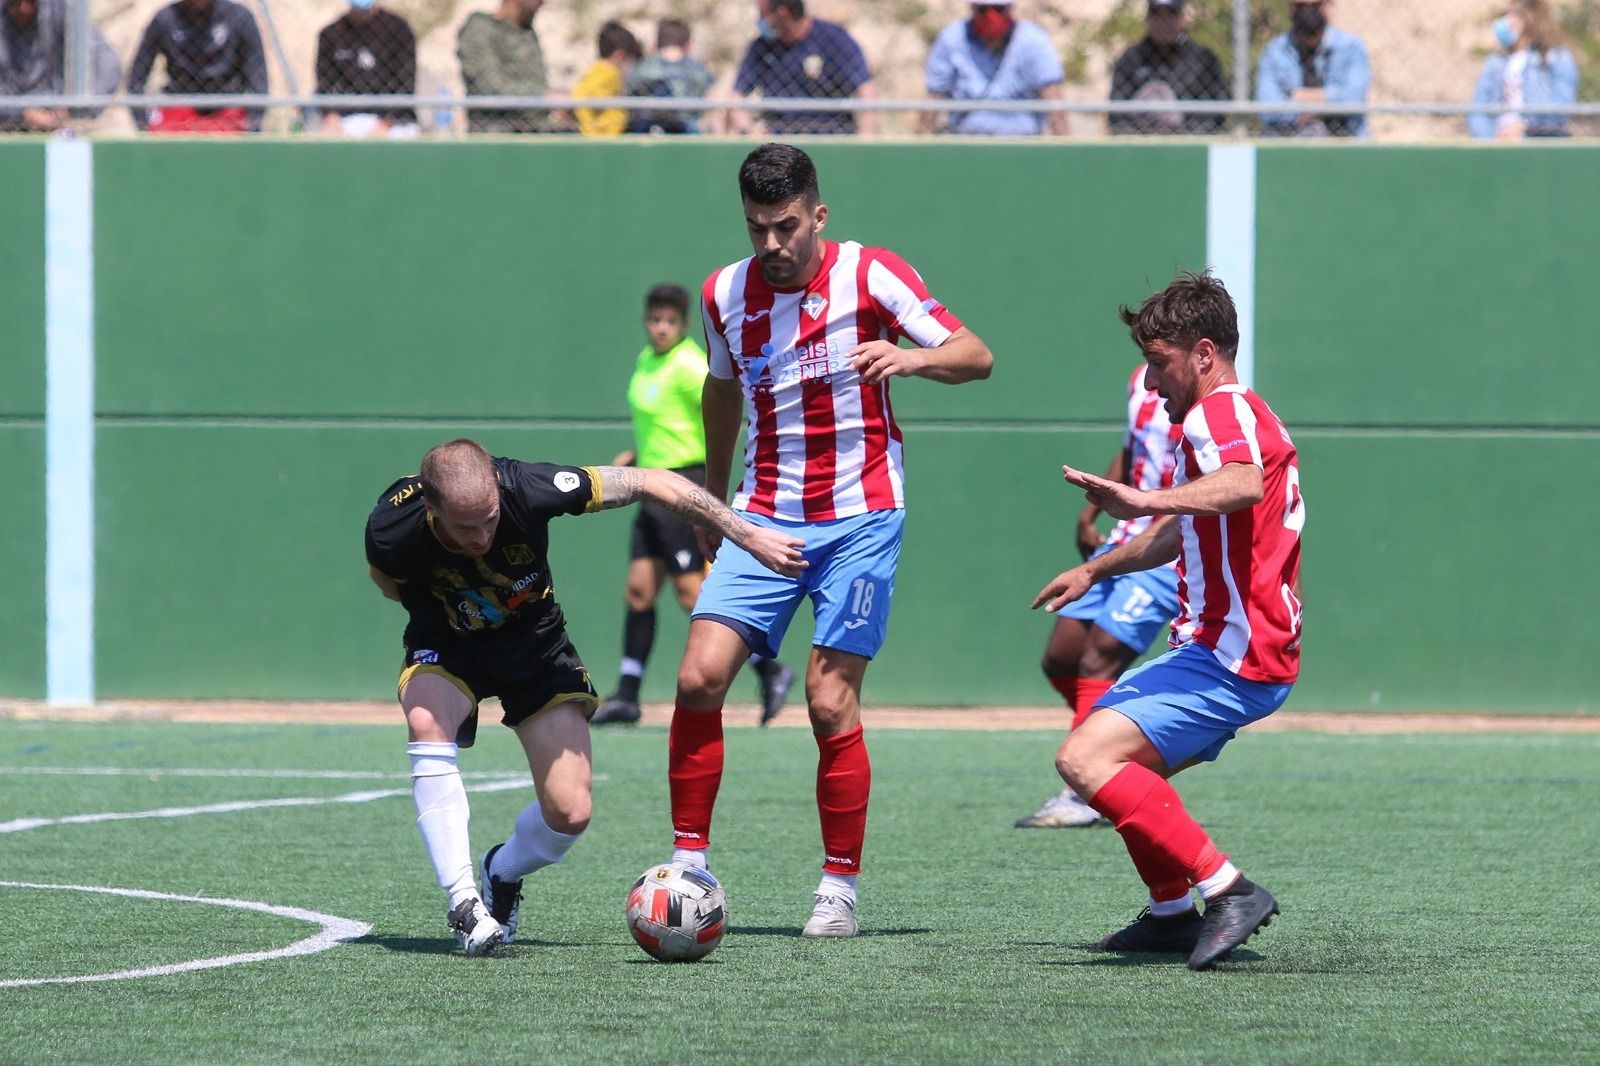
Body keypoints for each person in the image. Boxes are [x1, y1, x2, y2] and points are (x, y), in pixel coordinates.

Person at [667, 143, 994, 939]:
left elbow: (976, 356)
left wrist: (910, 359)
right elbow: (720, 390)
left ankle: (838, 888)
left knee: (827, 697)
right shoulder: (722, 294)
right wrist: (717, 504)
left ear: (818, 214)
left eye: (786, 227)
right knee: (699, 677)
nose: (772, 246)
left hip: (864, 516)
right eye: (756, 230)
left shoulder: (872, 274)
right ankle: (688, 864)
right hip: (763, 511)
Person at [365, 438, 804, 955]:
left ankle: (500, 872)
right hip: (447, 644)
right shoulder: (392, 528)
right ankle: (465, 905)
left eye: (490, 519)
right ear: (432, 510)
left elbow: (649, 481)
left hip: (535, 648)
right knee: (427, 723)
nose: (482, 536)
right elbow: (388, 583)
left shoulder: (528, 488)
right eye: (466, 527)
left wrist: (745, 533)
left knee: (569, 815)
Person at [1032, 271, 1304, 971]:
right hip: (1218, 649)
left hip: (1236, 655)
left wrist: (1144, 494)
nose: (1153, 385)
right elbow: (1180, 529)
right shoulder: (1220, 421)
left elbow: (1241, 484)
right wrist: (1096, 569)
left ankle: (1230, 890)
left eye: (1161, 364)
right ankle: (1170, 914)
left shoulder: (1223, 413)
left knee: (1084, 758)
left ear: (1204, 353)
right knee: (1108, 761)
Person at [593, 284, 796, 727]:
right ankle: (627, 695)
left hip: (683, 486)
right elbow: (661, 424)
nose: (661, 328)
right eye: (654, 319)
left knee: (691, 593)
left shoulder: (689, 366)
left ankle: (769, 667)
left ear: (683, 324)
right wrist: (636, 456)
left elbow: (716, 418)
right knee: (639, 590)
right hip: (648, 485)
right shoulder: (647, 361)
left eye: (669, 321)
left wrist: (705, 481)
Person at [1015, 365, 1182, 829]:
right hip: (1121, 539)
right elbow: (1131, 450)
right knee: (1061, 659)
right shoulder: (1142, 380)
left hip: (1166, 548)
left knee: (1098, 661)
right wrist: (1089, 513)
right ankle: (1116, 754)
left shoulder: (1208, 401)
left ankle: (1085, 792)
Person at [729, 0, 876, 136]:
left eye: (763, 15)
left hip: (830, 138)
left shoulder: (834, 39)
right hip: (779, 144)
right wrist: (750, 131)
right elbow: (736, 97)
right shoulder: (762, 48)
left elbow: (866, 90)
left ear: (782, 13)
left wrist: (864, 140)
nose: (761, 21)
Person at [919, 0, 1066, 137]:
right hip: (966, 144)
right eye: (983, 10)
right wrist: (918, 152)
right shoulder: (952, 39)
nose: (991, 17)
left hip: (1022, 145)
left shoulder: (1033, 40)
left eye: (998, 9)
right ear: (972, 8)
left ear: (1009, 9)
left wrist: (1065, 154)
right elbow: (933, 98)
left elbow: (1054, 100)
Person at [126, 0, 268, 134]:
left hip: (227, 107)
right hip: (178, 106)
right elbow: (137, 77)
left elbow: (258, 78)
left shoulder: (239, 17)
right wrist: (142, 124)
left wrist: (253, 124)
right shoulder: (165, 18)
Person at [1109, 0, 1227, 136]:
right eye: (1156, 14)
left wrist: (1189, 135)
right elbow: (1116, 111)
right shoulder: (1132, 59)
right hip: (1140, 145)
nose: (1164, 21)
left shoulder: (1203, 60)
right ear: (1147, 18)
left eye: (1172, 13)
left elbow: (1217, 110)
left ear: (1183, 17)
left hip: (1188, 144)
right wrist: (1136, 137)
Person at [0, 0, 120, 133]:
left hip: (58, 119)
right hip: (6, 120)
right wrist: (21, 113)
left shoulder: (57, 10)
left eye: (30, 2)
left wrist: (76, 108)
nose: (23, 9)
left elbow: (109, 64)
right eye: (14, 3)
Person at [1254, 0, 1369, 138]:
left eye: (1316, 5)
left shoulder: (1351, 48)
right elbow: (1268, 107)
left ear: (1328, 6)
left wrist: (1301, 98)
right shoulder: (1274, 51)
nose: (1308, 12)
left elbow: (1353, 98)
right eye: (1301, 6)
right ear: (1289, 9)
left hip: (1345, 139)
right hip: (1289, 140)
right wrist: (1326, 105)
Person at [1469, 0, 1579, 140]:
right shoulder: (1495, 62)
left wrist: (1526, 128)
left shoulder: (1557, 57)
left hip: (1537, 140)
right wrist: (1490, 139)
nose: (1505, 21)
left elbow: (1561, 106)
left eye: (1513, 14)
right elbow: (1478, 109)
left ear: (1530, 18)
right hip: (1498, 141)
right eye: (1505, 14)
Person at [314, 0, 418, 139]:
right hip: (347, 119)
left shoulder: (399, 31)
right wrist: (331, 115)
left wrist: (386, 122)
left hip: (393, 122)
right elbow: (324, 83)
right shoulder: (331, 34)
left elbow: (405, 83)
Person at [457, 0, 549, 134]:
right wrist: (543, 98)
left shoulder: (527, 33)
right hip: (495, 139)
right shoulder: (480, 29)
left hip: (533, 135)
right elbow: (490, 87)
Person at [625, 17, 714, 135]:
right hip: (688, 137)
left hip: (646, 135)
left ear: (655, 44)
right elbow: (712, 109)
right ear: (688, 45)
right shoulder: (699, 70)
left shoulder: (641, 68)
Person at [572, 20, 641, 137]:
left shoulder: (595, 71)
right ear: (621, 55)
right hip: (603, 136)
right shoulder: (611, 74)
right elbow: (587, 96)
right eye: (632, 61)